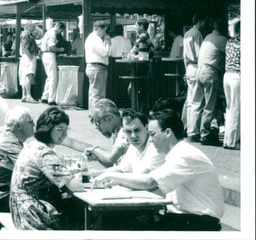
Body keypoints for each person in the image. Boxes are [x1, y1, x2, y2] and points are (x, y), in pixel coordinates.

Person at [94, 108, 224, 231]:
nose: (150, 139)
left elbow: (149, 182)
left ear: (168, 133)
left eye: (153, 134)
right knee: (119, 221)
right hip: (181, 218)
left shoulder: (185, 155)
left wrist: (112, 177)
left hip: (198, 223)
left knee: (120, 225)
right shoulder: (176, 153)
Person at [9, 106, 84, 230]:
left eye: (66, 130)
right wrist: (82, 174)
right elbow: (75, 186)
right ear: (47, 129)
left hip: (21, 211)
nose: (64, 134)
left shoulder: (32, 145)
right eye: (60, 129)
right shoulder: (44, 153)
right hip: (34, 216)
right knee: (80, 210)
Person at [0, 106, 35, 212]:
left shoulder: (7, 138)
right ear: (18, 126)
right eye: (30, 122)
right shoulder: (9, 143)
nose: (34, 125)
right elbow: (32, 167)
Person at [102, 108, 164, 175]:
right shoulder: (133, 147)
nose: (133, 136)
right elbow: (121, 169)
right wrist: (95, 174)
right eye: (128, 131)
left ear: (147, 128)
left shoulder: (156, 147)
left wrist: (108, 177)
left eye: (137, 130)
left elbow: (142, 179)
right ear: (123, 132)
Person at [183, 15, 207, 140]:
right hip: (197, 66)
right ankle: (193, 132)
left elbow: (184, 56)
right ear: (200, 21)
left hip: (189, 68)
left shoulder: (187, 33)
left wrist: (186, 70)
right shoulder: (197, 34)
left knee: (190, 101)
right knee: (197, 101)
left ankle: (188, 128)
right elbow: (199, 54)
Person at [85, 98, 128, 167]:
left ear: (109, 118)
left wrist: (95, 150)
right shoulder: (117, 131)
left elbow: (110, 159)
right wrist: (98, 157)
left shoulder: (125, 131)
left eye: (98, 122)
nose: (97, 128)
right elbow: (113, 164)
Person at [84, 21, 111, 111]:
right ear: (99, 29)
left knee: (93, 92)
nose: (105, 33)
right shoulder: (96, 39)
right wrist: (107, 43)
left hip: (93, 67)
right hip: (97, 67)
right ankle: (97, 113)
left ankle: (92, 112)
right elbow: (105, 52)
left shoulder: (90, 38)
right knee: (98, 93)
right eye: (104, 30)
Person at [223, 19, 240, 149]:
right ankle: (233, 141)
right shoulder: (243, 43)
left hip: (227, 75)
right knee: (236, 109)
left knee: (229, 108)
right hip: (237, 76)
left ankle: (227, 139)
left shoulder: (229, 42)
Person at [40, 21, 63, 105]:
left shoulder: (48, 32)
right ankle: (51, 99)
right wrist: (60, 49)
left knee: (49, 77)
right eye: (61, 30)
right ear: (59, 27)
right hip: (49, 55)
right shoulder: (53, 33)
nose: (60, 33)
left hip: (44, 55)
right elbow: (51, 47)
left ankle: (45, 97)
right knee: (53, 77)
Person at [18, 23, 39, 103]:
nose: (34, 28)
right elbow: (25, 48)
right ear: (28, 27)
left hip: (24, 58)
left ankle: (24, 95)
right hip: (28, 57)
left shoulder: (23, 34)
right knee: (29, 76)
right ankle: (29, 96)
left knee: (24, 77)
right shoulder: (27, 35)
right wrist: (31, 57)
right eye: (32, 27)